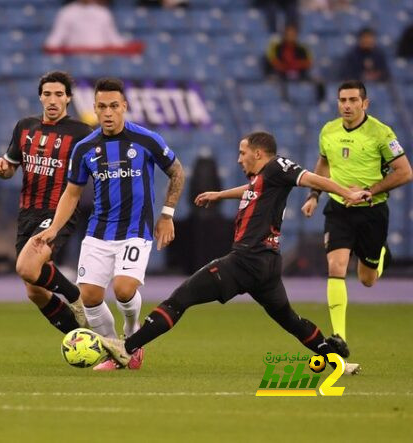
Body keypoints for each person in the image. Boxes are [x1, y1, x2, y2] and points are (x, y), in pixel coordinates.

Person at [95, 131, 370, 375]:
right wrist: (219, 194)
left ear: (259, 153)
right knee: (289, 319)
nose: (239, 159)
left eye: (243, 153)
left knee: (179, 300)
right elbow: (251, 190)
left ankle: (126, 349)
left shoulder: (277, 166)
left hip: (246, 260)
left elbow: (311, 178)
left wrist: (348, 192)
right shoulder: (265, 178)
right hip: (267, 264)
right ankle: (336, 363)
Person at [31, 77, 185, 371]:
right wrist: (52, 229)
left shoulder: (146, 139)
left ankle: (132, 335)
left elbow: (177, 172)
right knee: (89, 297)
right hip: (99, 232)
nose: (108, 112)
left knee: (124, 290)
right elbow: (72, 193)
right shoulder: (85, 147)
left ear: (124, 106)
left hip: (135, 231)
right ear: (95, 109)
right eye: (102, 107)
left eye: (114, 106)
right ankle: (116, 351)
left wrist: (167, 214)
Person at [301, 80, 412, 361]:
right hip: (338, 208)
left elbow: (404, 172)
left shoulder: (381, 133)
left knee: (367, 280)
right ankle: (339, 337)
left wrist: (369, 191)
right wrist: (314, 194)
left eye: (353, 100)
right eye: (342, 100)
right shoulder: (329, 130)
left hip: (372, 211)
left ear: (365, 103)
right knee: (336, 265)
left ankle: (380, 256)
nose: (347, 106)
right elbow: (323, 163)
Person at [0, 71, 92, 335]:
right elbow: (10, 167)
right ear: (40, 97)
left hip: (58, 212)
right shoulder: (25, 127)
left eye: (59, 94)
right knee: (34, 290)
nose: (52, 100)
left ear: (68, 98)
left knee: (26, 266)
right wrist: (2, 169)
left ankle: (73, 296)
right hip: (27, 213)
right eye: (47, 94)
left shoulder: (81, 132)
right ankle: (81, 336)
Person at [45, 0, 142, 55]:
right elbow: (54, 41)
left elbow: (114, 40)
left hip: (102, 60)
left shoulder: (103, 12)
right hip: (76, 60)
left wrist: (130, 46)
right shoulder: (66, 12)